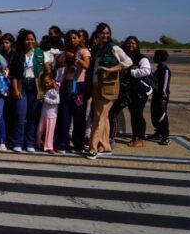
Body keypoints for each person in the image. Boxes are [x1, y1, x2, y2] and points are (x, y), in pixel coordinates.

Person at [86, 23, 132, 159]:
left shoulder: (114, 48)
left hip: (109, 87)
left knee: (100, 116)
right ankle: (105, 146)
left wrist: (111, 69)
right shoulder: (96, 49)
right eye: (103, 33)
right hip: (96, 86)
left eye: (107, 33)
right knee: (103, 116)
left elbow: (128, 62)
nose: (105, 35)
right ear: (97, 34)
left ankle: (93, 147)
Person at [10, 30, 50, 153]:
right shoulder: (18, 54)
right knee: (20, 114)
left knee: (33, 116)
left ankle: (30, 143)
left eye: (32, 39)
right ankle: (18, 142)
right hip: (22, 85)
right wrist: (15, 89)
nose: (30, 41)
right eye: (27, 39)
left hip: (35, 86)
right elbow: (14, 75)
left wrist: (47, 81)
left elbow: (47, 70)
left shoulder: (40, 53)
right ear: (23, 41)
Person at [54, 30, 90, 153]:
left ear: (79, 39)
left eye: (74, 37)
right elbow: (59, 65)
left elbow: (86, 65)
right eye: (69, 38)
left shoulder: (84, 51)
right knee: (64, 115)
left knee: (79, 116)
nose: (72, 40)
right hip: (65, 85)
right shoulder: (64, 52)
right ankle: (62, 143)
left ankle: (78, 144)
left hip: (79, 85)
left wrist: (76, 58)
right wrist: (63, 57)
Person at [122, 36, 152, 147]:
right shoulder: (124, 57)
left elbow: (147, 71)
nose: (131, 45)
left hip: (141, 91)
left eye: (133, 43)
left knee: (138, 113)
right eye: (128, 43)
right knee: (133, 114)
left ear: (137, 45)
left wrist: (131, 72)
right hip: (130, 91)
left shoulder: (141, 58)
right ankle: (135, 137)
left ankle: (142, 138)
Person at [150, 50, 171, 145]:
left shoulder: (165, 70)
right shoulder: (158, 69)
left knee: (162, 115)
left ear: (159, 57)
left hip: (162, 97)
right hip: (156, 95)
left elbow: (165, 85)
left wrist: (164, 97)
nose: (154, 57)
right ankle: (158, 132)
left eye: (155, 56)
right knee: (155, 115)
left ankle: (165, 136)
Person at [36, 73, 60, 154]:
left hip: (52, 115)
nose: (46, 84)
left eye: (47, 82)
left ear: (51, 81)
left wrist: (46, 100)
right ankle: (39, 143)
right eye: (44, 83)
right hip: (43, 113)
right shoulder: (45, 90)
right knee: (40, 130)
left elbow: (57, 101)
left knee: (50, 131)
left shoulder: (55, 90)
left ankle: (49, 147)